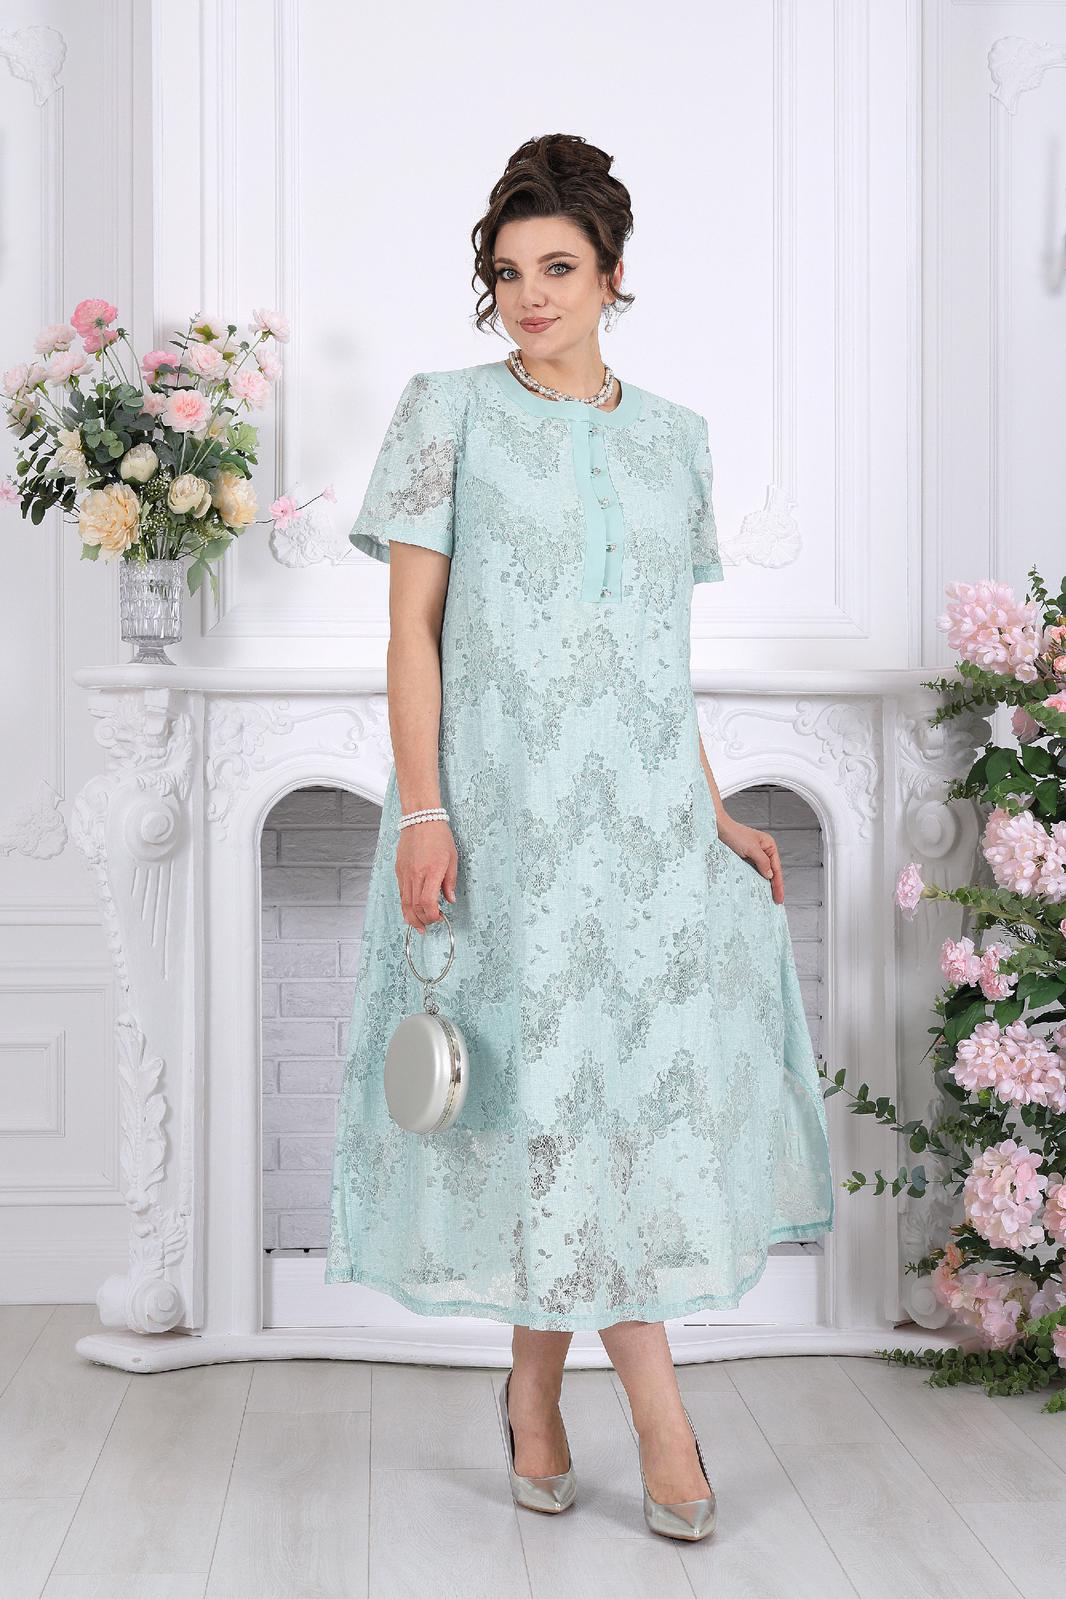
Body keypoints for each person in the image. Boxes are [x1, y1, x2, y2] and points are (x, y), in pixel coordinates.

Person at [327, 132, 834, 1542]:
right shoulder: (447, 413)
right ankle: (663, 1424)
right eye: (507, 274)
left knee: (597, 1115)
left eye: (557, 267)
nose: (530, 296)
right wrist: (425, 810)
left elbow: (649, 660)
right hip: (501, 830)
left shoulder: (675, 438)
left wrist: (709, 804)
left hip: (646, 839)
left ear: (614, 274)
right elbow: (412, 634)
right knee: (548, 1107)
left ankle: (533, 1398)